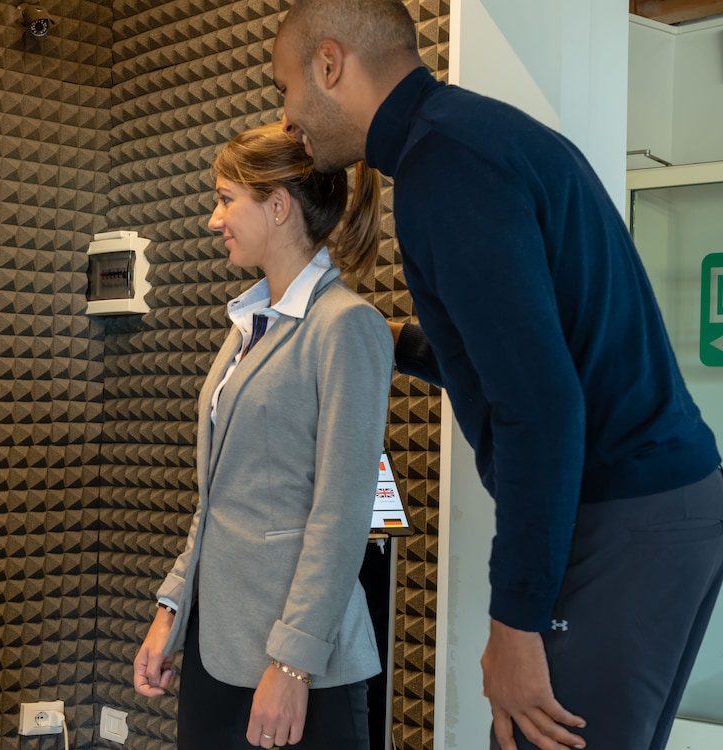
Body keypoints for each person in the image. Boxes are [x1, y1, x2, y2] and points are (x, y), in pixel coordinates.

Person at [271, 3, 723, 750]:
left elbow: (540, 406)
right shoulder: (466, 137)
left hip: (627, 511)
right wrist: (398, 342)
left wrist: (516, 622)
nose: (287, 117)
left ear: (329, 63)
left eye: (285, 87)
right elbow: (525, 352)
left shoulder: (446, 168)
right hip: (662, 506)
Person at [132, 121, 395, 750]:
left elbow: (340, 513)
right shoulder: (251, 325)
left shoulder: (345, 326)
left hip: (299, 667)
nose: (213, 219)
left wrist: (293, 663)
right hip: (218, 648)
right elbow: (220, 500)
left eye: (226, 199)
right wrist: (172, 608)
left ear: (277, 207)